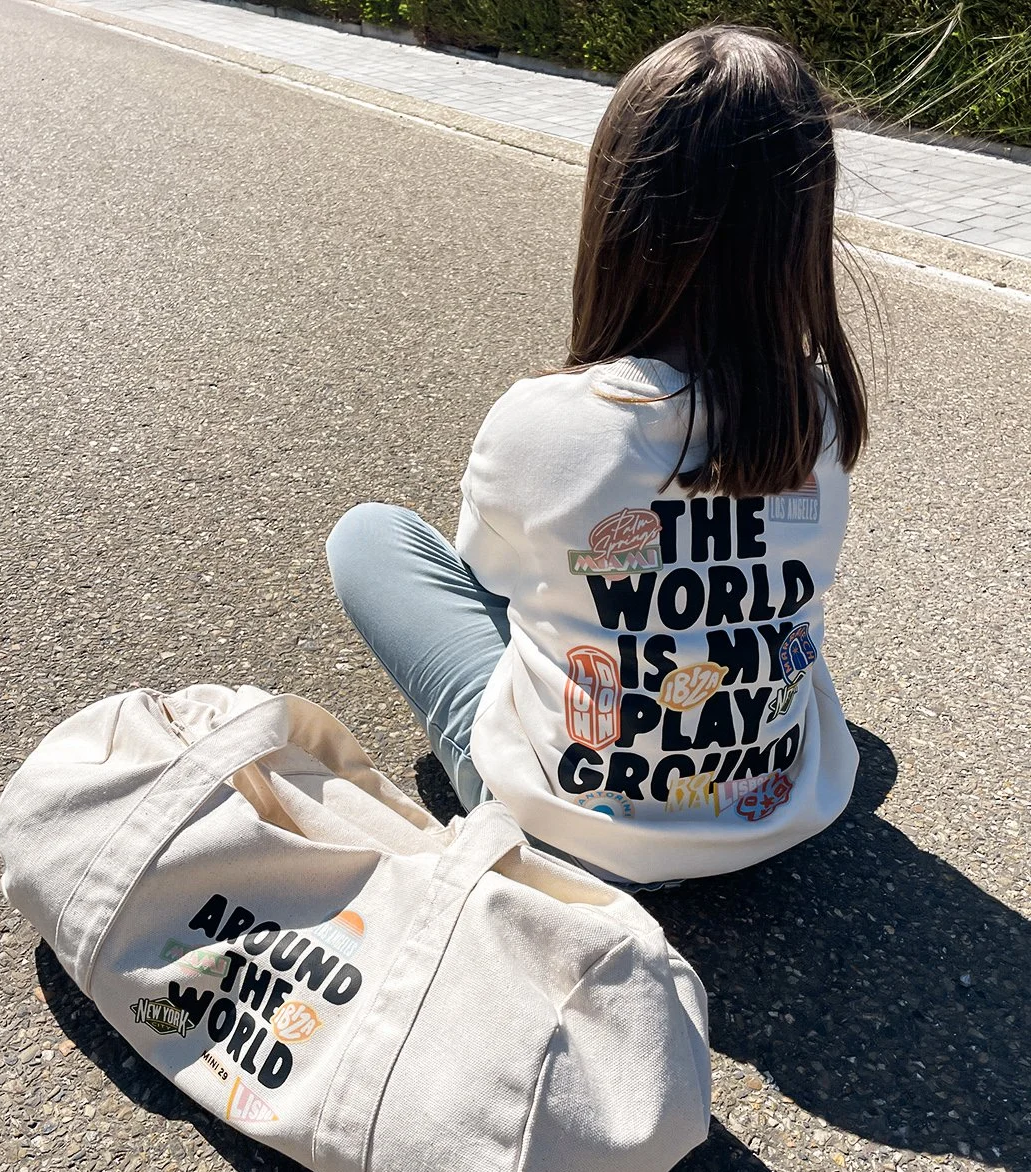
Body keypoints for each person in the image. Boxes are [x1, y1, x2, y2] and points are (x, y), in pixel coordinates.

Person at [326, 25, 868, 889]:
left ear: (616, 215)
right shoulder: (823, 409)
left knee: (369, 535)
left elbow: (491, 583)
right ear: (804, 232)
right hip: (778, 810)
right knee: (765, 607)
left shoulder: (543, 419)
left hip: (570, 828)